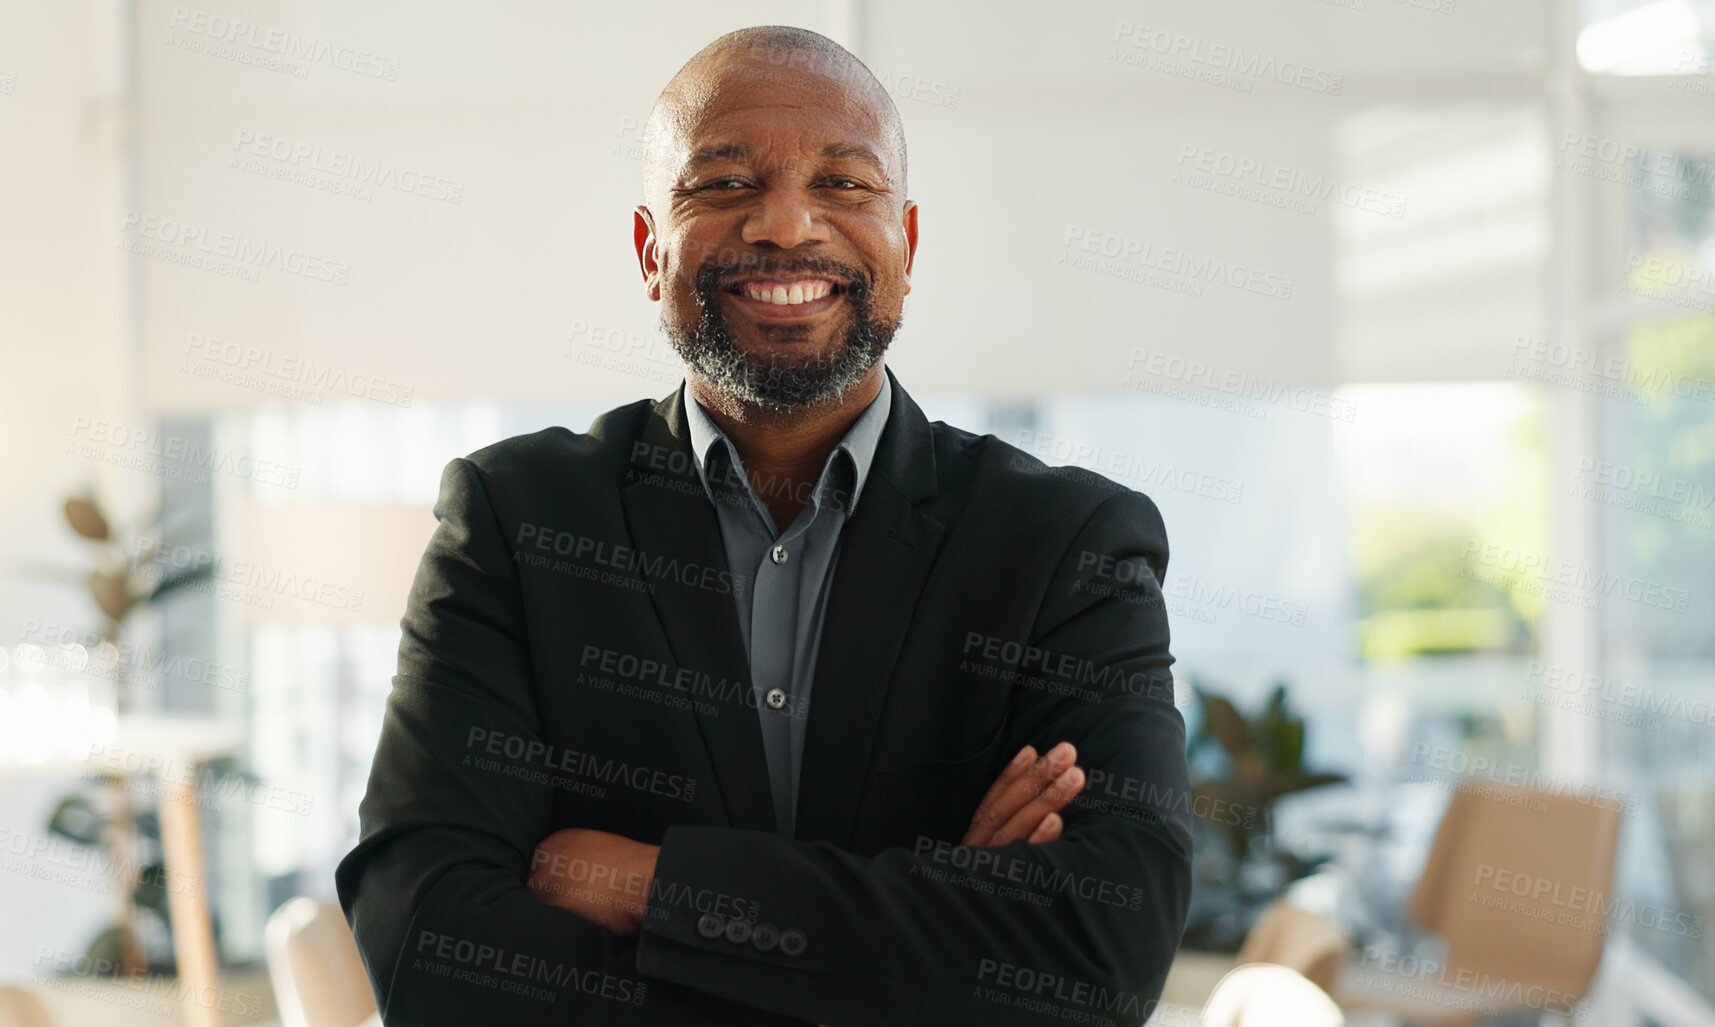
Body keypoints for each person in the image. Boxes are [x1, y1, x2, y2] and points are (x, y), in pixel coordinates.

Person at [336, 25, 1192, 1026]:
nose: (787, 226)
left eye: (845, 183)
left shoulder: (1068, 544)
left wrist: (653, 888)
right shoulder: (513, 522)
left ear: (906, 248)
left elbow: (1102, 953)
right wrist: (931, 933)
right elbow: (429, 946)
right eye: (725, 184)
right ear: (652, 250)